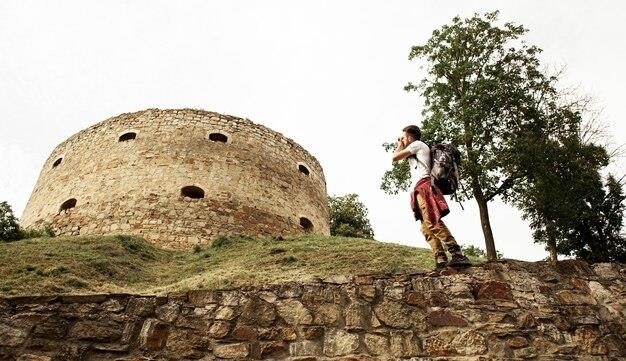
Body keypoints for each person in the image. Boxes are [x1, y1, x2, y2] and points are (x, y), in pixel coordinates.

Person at [392, 125, 471, 269]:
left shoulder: (417, 144)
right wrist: (401, 143)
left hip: (424, 186)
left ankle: (457, 253)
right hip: (418, 189)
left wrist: (399, 144)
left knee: (432, 221)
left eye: (403, 137)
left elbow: (395, 157)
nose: (402, 140)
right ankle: (440, 258)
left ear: (410, 137)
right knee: (425, 228)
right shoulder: (414, 150)